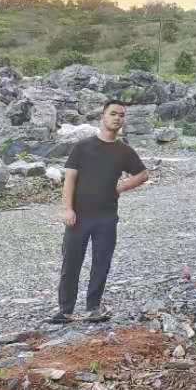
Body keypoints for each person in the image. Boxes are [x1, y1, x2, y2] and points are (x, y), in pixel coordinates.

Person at [50, 101, 149, 324]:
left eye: (121, 115)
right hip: (79, 216)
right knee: (71, 263)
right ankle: (65, 310)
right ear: (103, 117)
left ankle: (93, 308)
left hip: (106, 217)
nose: (117, 118)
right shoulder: (83, 146)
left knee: (101, 263)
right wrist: (66, 208)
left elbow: (143, 174)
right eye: (113, 114)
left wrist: (120, 187)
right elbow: (70, 179)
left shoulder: (123, 150)